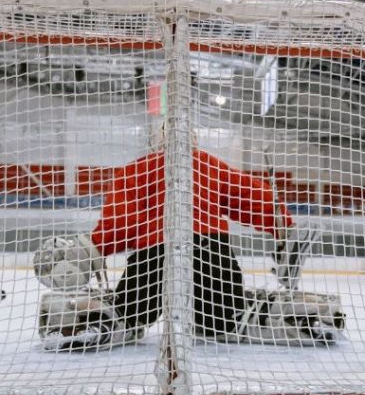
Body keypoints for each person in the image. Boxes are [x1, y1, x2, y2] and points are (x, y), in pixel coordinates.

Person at [35, 128, 343, 351]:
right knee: (223, 319)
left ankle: (80, 320)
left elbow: (121, 221)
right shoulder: (209, 165)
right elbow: (254, 196)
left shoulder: (138, 169)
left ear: (157, 142)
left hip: (155, 255)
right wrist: (284, 228)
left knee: (131, 313)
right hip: (212, 252)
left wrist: (96, 246)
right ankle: (308, 316)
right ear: (193, 141)